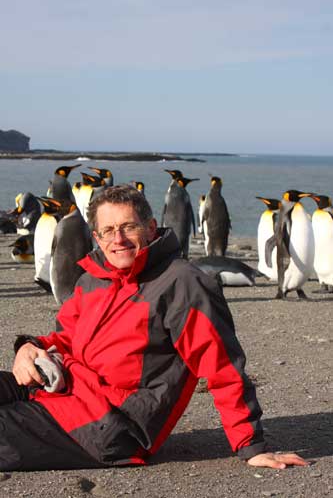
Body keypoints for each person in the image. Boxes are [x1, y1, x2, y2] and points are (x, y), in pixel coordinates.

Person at [5, 185, 307, 471]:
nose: (118, 239)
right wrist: (29, 347)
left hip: (109, 424)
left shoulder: (180, 282)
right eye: (108, 231)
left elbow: (221, 364)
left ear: (150, 228)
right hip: (63, 390)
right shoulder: (94, 278)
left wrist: (250, 445)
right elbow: (64, 337)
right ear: (96, 237)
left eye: (128, 227)